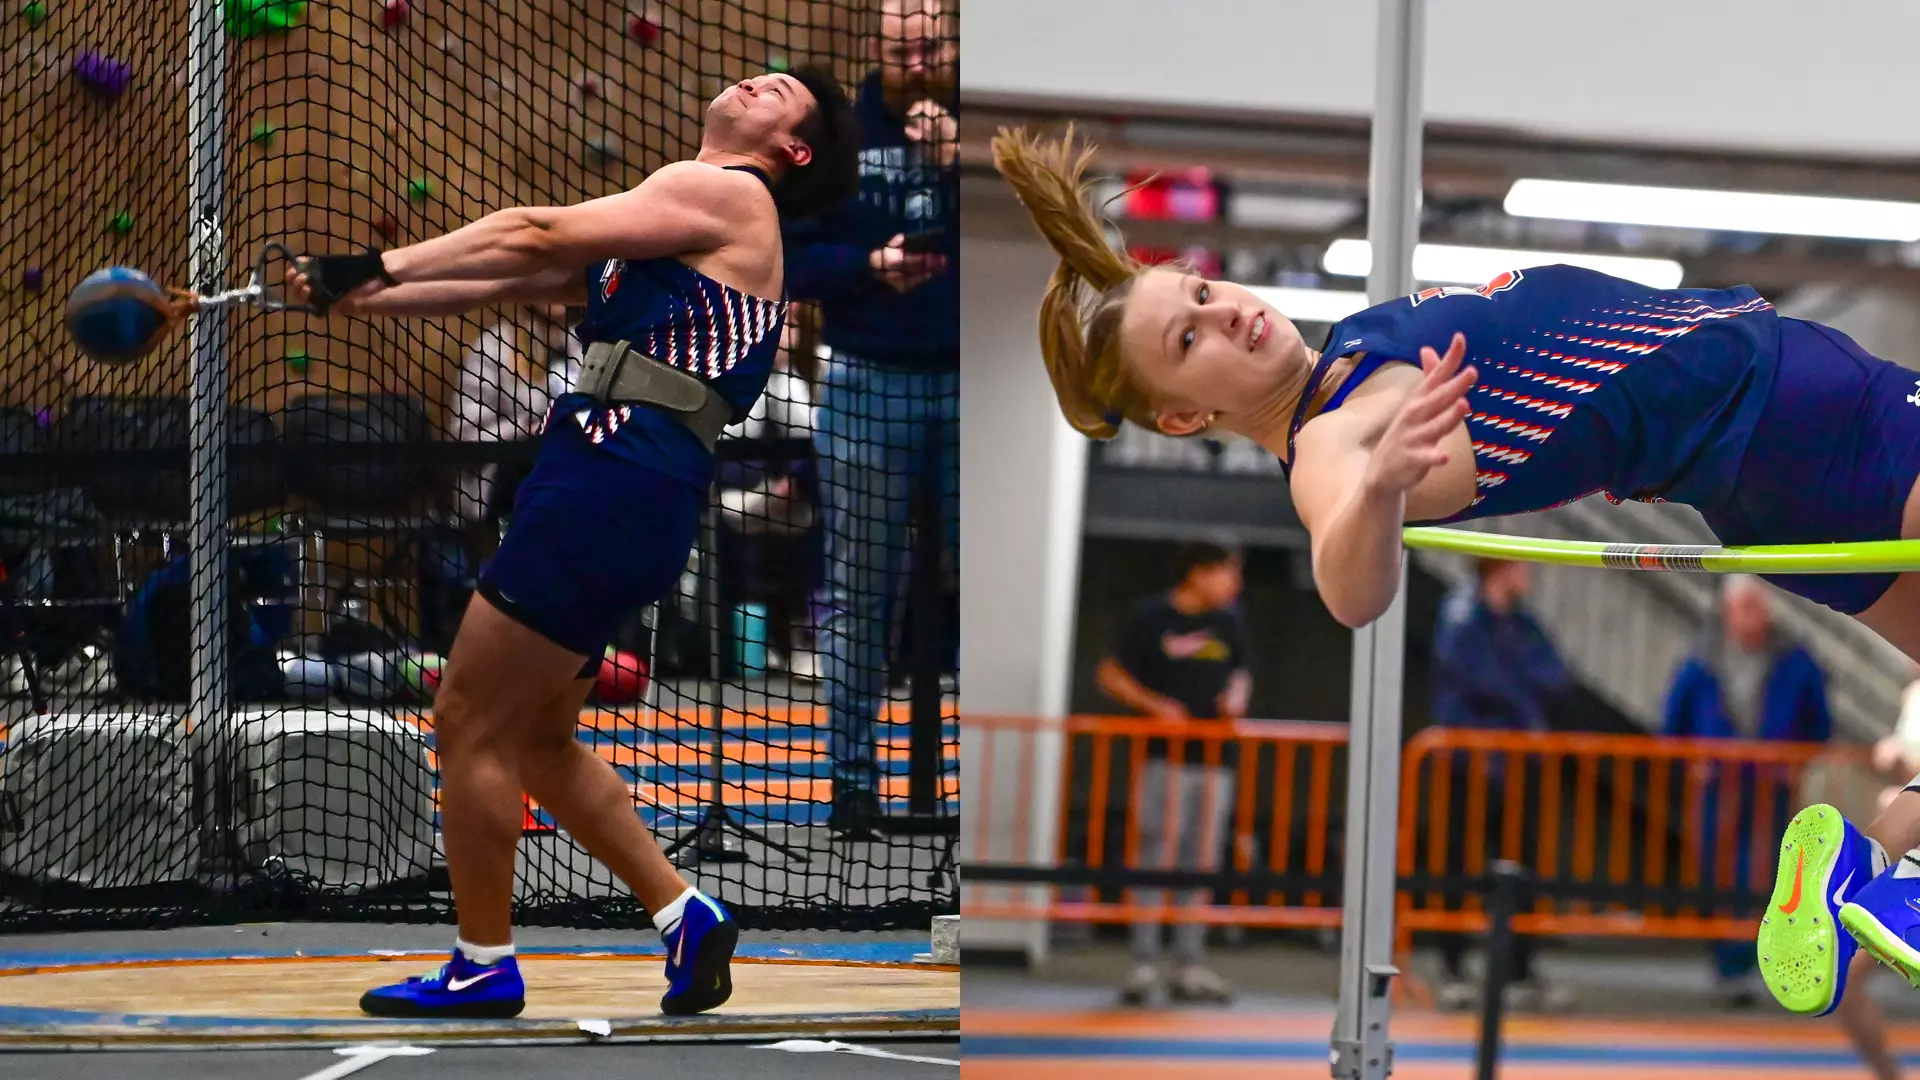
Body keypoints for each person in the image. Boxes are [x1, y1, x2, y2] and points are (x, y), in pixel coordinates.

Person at [987, 124, 1920, 1023]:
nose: (1223, 310)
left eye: (1195, 292)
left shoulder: (1343, 360)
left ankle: (1871, 869)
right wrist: (1381, 491)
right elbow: (1353, 591)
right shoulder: (1329, 446)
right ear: (1186, 420)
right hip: (1794, 409)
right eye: (1189, 344)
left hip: (1759, 480)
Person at [283, 69, 859, 1020]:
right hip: (631, 486)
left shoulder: (726, 190)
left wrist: (372, 262)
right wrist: (351, 294)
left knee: (467, 718)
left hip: (610, 477)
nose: (757, 80)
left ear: (792, 150)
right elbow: (508, 275)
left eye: (780, 91)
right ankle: (685, 912)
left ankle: (481, 963)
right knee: (542, 741)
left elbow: (529, 229)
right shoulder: (669, 234)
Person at [782, 0, 958, 838]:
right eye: (903, 49)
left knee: (978, 579)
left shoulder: (983, 135)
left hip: (967, 381)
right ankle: (853, 783)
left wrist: (958, 162)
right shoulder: (841, 136)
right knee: (861, 591)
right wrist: (869, 265)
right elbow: (790, 259)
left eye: (932, 46)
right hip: (867, 380)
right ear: (877, 49)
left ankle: (974, 794)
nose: (918, 63)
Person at [1662, 576, 1832, 1006]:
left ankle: (1755, 963)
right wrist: (1691, 762)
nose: (1751, 617)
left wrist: (1799, 762)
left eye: (1758, 607)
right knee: (1716, 871)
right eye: (1744, 608)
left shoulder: (1793, 660)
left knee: (1771, 875)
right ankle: (1727, 963)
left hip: (1770, 786)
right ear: (1727, 611)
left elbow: (1819, 721)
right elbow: (1673, 723)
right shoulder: (1703, 660)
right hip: (1719, 787)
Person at [1094, 541, 1250, 1007]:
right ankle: (1143, 963)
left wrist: (1236, 698)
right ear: (1198, 572)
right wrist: (1154, 706)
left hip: (1214, 762)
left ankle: (1189, 965)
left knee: (1199, 864)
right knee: (1154, 858)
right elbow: (1110, 672)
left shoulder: (1229, 622)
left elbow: (1241, 672)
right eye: (1225, 573)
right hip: (1164, 760)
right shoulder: (1151, 617)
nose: (1232, 584)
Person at [1428, 558, 1572, 1012]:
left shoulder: (1523, 622)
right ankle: (1452, 967)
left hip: (1518, 766)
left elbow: (1555, 676)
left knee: (1521, 865)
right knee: (1457, 864)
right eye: (1520, 568)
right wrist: (1519, 703)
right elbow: (1474, 677)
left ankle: (1518, 968)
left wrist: (1520, 700)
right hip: (1469, 763)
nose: (1527, 576)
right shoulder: (1462, 616)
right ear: (1500, 570)